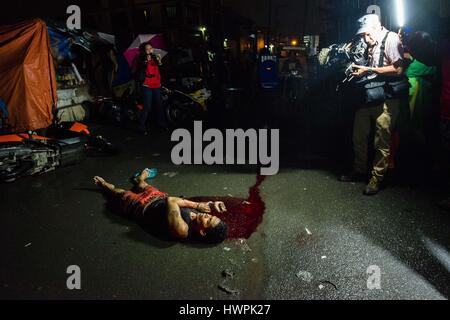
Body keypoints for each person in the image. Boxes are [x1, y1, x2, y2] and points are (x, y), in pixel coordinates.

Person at [340, 14, 407, 195]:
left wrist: (368, 69)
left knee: (381, 141)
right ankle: (360, 170)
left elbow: (399, 68)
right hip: (368, 95)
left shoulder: (391, 38)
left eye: (367, 34)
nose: (364, 37)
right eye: (362, 34)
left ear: (377, 28)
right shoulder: (368, 42)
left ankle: (377, 178)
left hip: (386, 97)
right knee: (358, 135)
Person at [93, 169, 228, 243]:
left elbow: (172, 201)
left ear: (203, 231)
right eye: (211, 216)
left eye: (208, 220)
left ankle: (104, 185)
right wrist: (212, 203)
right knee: (142, 185)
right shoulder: (200, 216)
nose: (207, 215)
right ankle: (140, 178)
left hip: (140, 206)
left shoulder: (182, 230)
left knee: (118, 192)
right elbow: (199, 206)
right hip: (157, 197)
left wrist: (198, 205)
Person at [135, 43, 168, 135]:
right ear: (144, 51)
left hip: (157, 84)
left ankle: (161, 124)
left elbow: (163, 70)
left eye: (151, 48)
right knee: (147, 107)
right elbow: (138, 70)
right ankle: (141, 126)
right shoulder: (141, 59)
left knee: (159, 105)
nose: (149, 50)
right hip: (147, 85)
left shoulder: (156, 57)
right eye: (147, 49)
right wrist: (145, 63)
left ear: (153, 49)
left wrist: (160, 61)